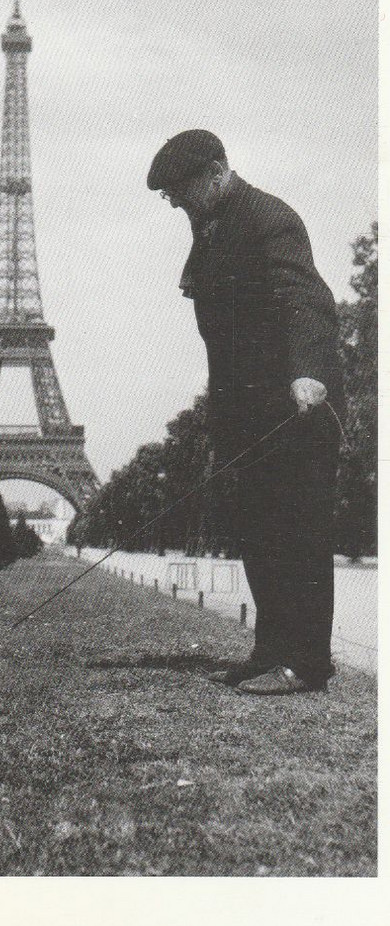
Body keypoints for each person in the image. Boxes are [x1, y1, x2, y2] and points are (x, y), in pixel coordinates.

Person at [147, 130, 344, 695]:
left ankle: (307, 665)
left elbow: (305, 299)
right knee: (258, 532)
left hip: (295, 406)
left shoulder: (268, 219)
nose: (175, 202)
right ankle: (271, 649)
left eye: (179, 191)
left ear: (215, 172)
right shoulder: (211, 228)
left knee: (299, 533)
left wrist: (308, 371)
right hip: (246, 413)